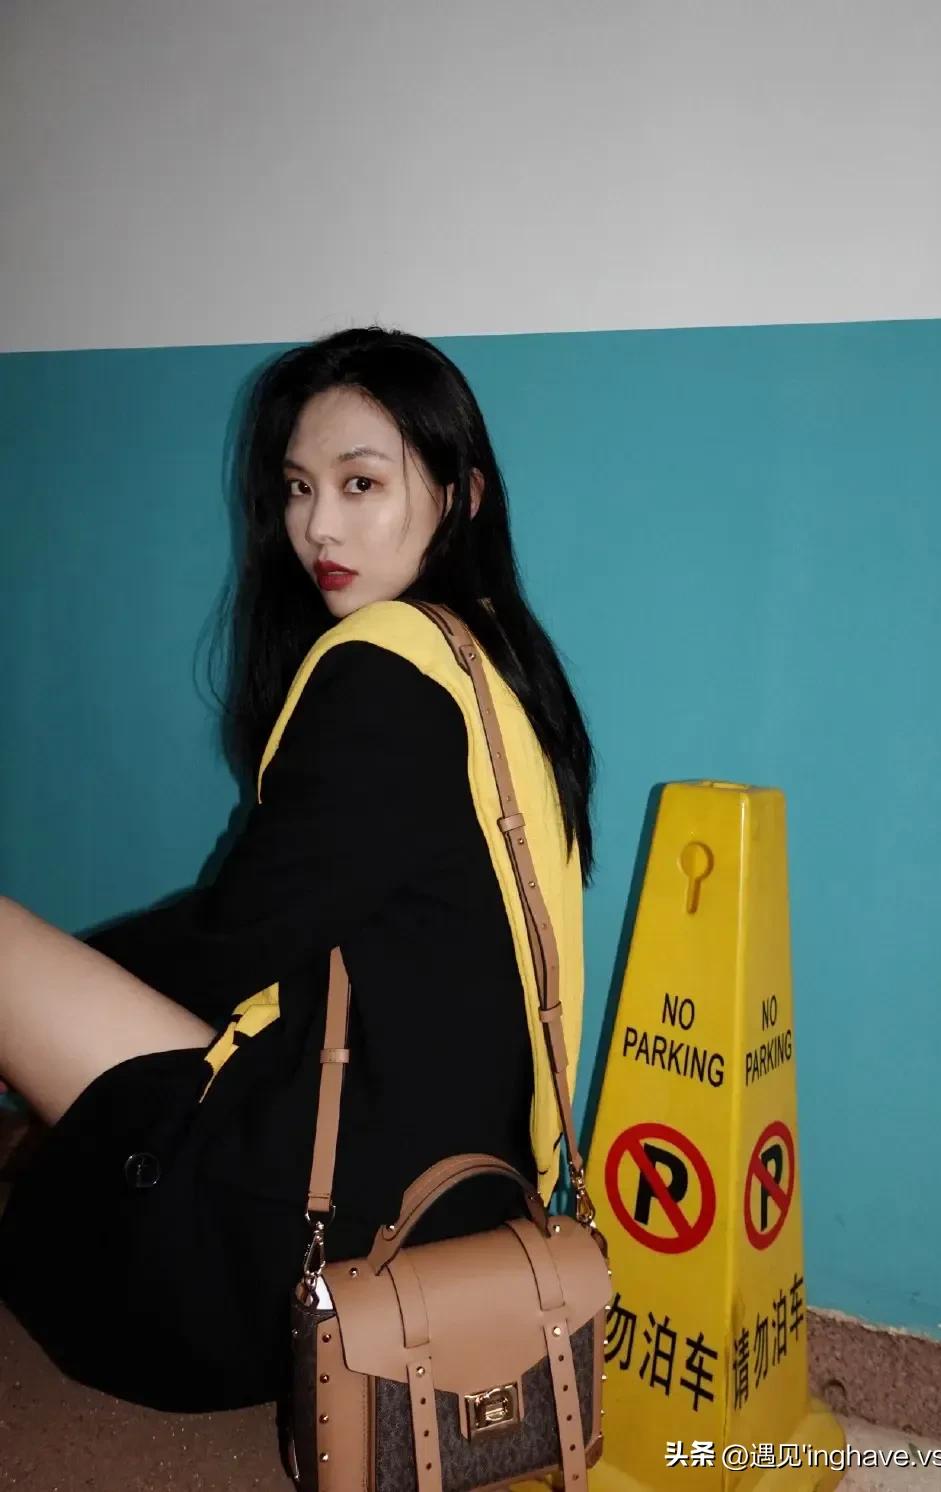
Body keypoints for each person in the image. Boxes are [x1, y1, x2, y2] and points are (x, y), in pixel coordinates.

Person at [0, 326, 595, 1422]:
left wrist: (54, 977)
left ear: (461, 494)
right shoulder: (492, 658)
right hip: (473, 1203)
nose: (317, 525)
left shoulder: (383, 675)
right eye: (298, 487)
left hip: (336, 1229)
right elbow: (275, 921)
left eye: (361, 483)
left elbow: (228, 940)